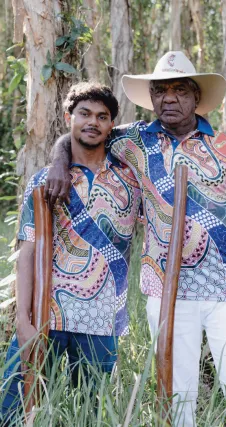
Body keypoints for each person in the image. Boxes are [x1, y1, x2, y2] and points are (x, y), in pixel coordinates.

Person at [46, 52, 226, 426]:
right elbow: (80, 134)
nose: (169, 98)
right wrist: (58, 162)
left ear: (196, 97)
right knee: (175, 391)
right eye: (160, 91)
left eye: (180, 90)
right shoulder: (134, 140)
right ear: (151, 98)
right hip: (163, 289)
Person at [1, 82, 141, 424]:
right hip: (47, 313)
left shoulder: (131, 181)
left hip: (100, 320)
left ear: (112, 125)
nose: (92, 122)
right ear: (69, 118)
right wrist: (23, 322)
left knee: (89, 415)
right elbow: (28, 252)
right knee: (13, 410)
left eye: (102, 116)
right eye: (84, 114)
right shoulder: (44, 182)